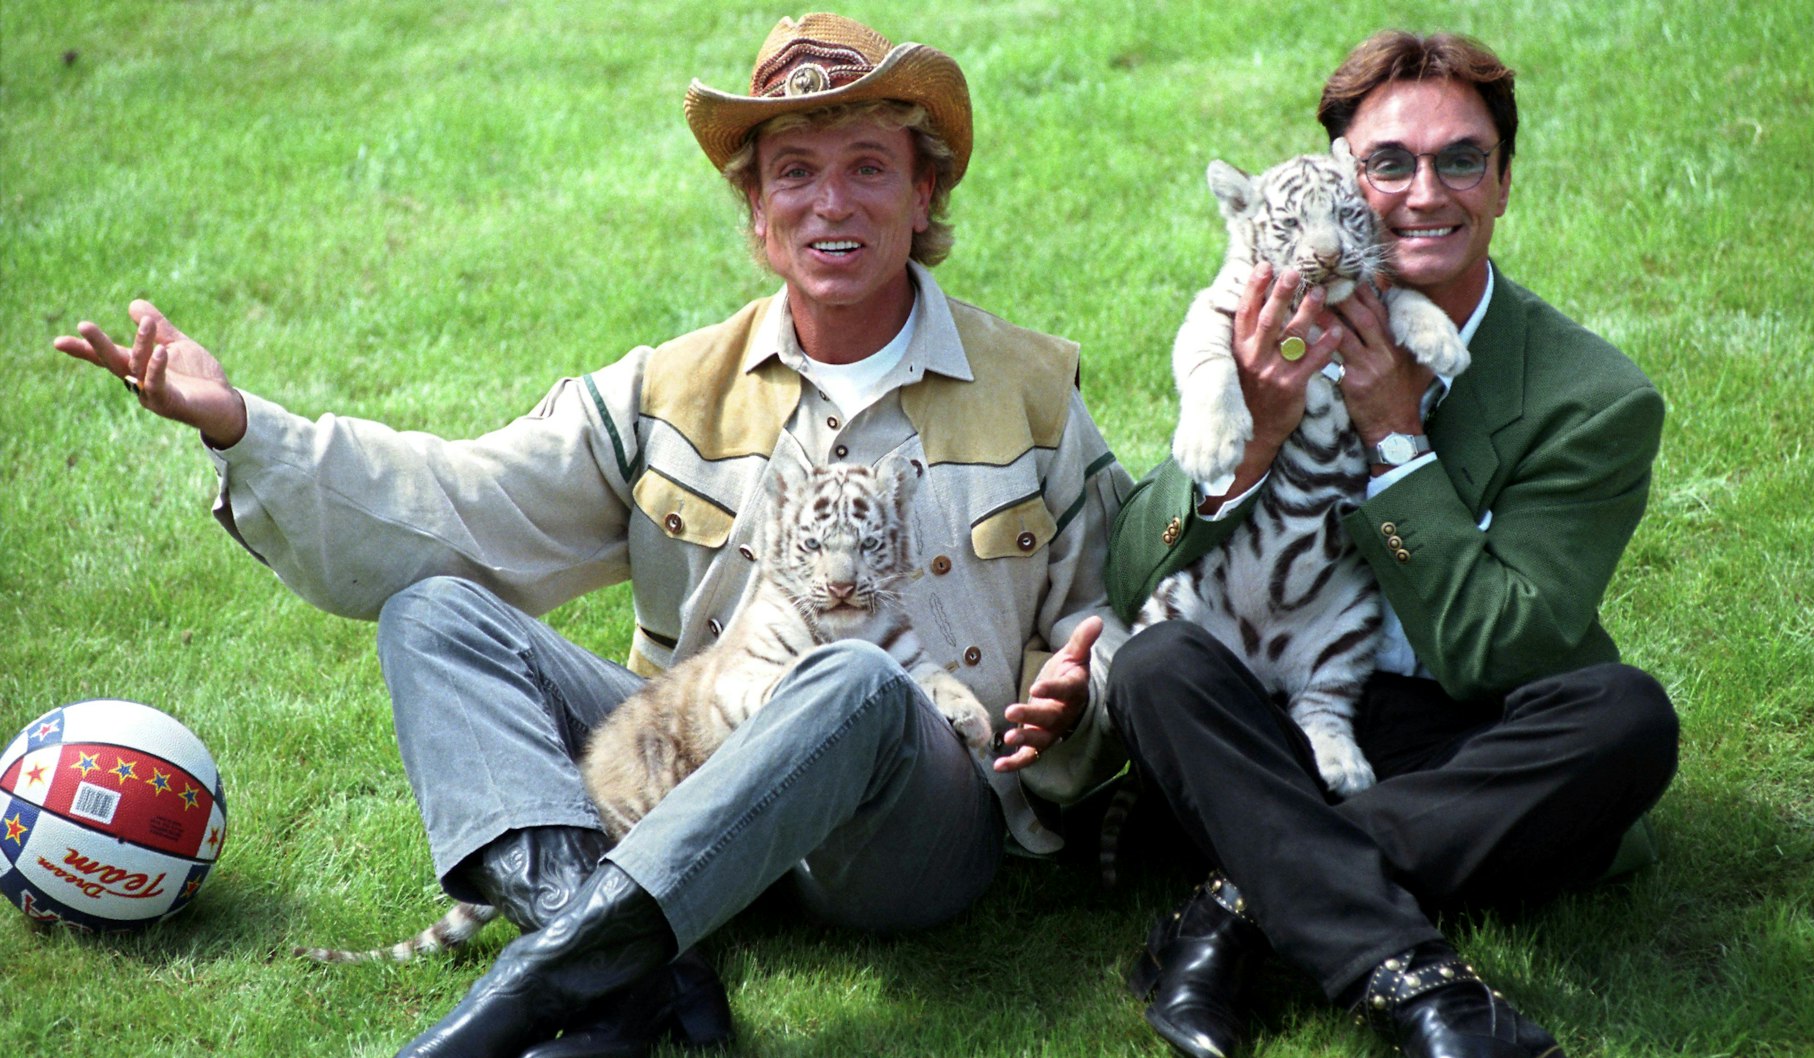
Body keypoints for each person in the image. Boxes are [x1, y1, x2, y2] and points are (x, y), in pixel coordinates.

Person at [55, 13, 1133, 1056]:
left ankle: (544, 979)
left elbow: (1112, 611)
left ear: (925, 189)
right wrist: (246, 424)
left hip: (905, 827)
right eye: (793, 171)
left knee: (851, 679)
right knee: (436, 613)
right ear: (755, 210)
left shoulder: (1031, 390)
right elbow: (457, 500)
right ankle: (624, 958)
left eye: (867, 165)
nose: (828, 203)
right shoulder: (665, 388)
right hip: (692, 772)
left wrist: (1076, 688)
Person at [1101, 30, 1678, 1058]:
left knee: (1623, 715)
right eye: (1386, 165)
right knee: (1155, 663)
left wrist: (1395, 440)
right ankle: (1420, 988)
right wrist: (1257, 433)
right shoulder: (1266, 319)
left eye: (1460, 159)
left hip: (1453, 727)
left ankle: (1235, 900)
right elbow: (1135, 565)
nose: (1422, 194)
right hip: (1279, 709)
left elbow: (1502, 648)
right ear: (1333, 179)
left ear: (1501, 183)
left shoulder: (1593, 400)